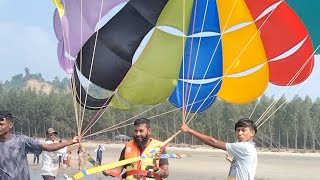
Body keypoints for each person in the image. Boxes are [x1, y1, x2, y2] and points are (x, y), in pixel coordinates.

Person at [0, 110, 81, 180]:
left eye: (1, 124)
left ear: (10, 125)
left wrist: (71, 141)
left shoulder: (21, 141)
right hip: (47, 171)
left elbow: (49, 147)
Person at [180, 118, 257, 180]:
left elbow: (213, 142)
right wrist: (233, 161)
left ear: (252, 133)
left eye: (243, 130)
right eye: (238, 130)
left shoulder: (244, 147)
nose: (240, 133)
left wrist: (189, 130)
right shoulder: (251, 147)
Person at [103, 118, 169, 180]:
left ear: (149, 131)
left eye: (141, 131)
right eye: (136, 131)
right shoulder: (128, 147)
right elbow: (118, 170)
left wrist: (159, 171)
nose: (138, 134)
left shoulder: (158, 148)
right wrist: (109, 171)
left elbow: (166, 173)